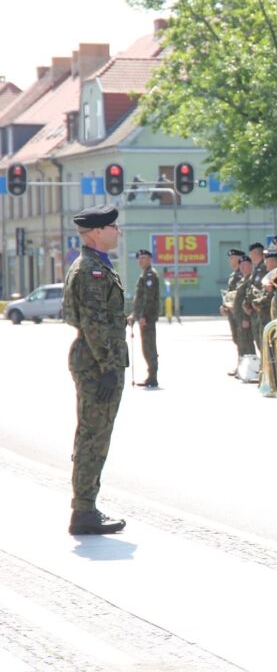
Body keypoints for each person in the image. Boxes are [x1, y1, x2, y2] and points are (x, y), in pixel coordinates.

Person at [63, 205, 129, 535]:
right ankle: (84, 511)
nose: (118, 231)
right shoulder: (92, 270)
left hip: (97, 361)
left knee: (94, 434)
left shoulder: (97, 266)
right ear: (96, 233)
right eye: (113, 227)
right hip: (96, 364)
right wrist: (108, 367)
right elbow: (92, 322)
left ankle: (86, 506)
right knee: (93, 436)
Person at [129, 248, 161, 388]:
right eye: (139, 258)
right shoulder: (144, 275)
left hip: (147, 317)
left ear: (149, 259)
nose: (140, 261)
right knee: (146, 346)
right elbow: (140, 299)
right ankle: (151, 375)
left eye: (143, 258)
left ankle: (153, 377)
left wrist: (142, 316)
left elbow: (148, 299)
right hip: (143, 317)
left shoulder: (150, 276)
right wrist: (134, 315)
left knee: (149, 347)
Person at [222, 248, 245, 374]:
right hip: (232, 311)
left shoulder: (241, 273)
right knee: (237, 339)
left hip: (240, 312)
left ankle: (245, 366)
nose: (230, 260)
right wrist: (225, 305)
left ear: (239, 258)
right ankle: (240, 365)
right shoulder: (233, 274)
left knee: (242, 339)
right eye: (229, 258)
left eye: (232, 258)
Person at [232, 255, 257, 358]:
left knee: (247, 344)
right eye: (241, 265)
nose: (242, 267)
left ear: (251, 265)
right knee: (241, 343)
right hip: (239, 317)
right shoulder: (242, 280)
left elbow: (249, 300)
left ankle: (251, 367)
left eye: (245, 264)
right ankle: (243, 366)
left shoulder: (251, 280)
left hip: (245, 317)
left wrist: (246, 318)